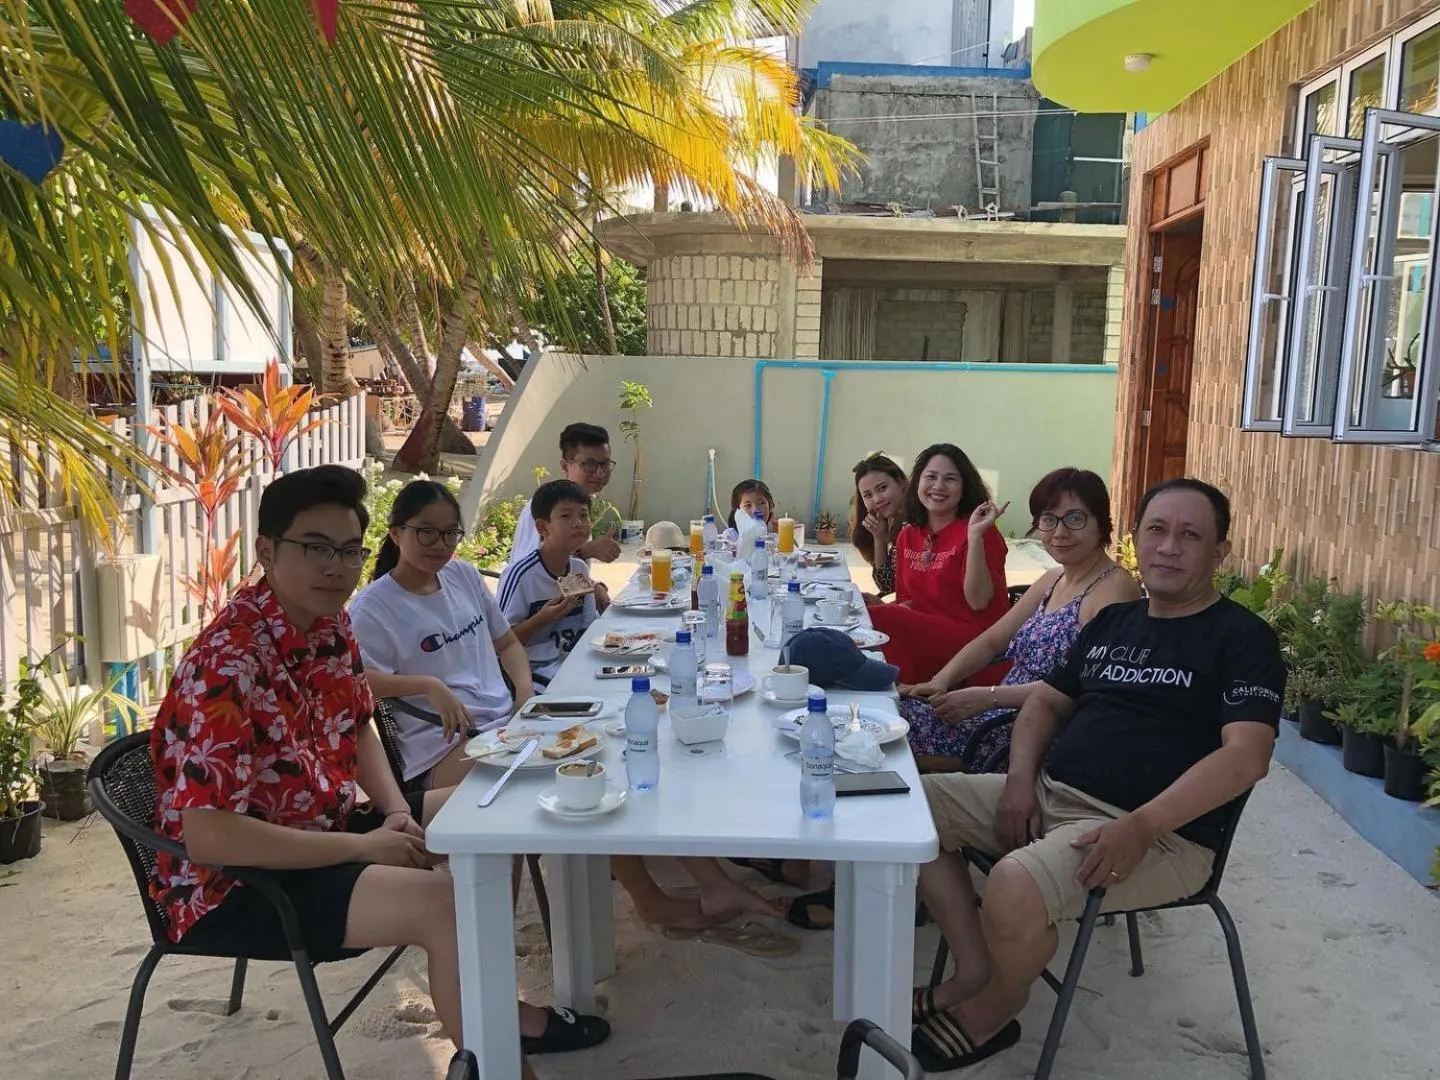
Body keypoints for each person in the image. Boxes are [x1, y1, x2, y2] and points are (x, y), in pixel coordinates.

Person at [148, 467, 607, 1078]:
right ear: (266, 550)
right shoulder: (225, 663)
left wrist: (393, 809)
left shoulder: (328, 624)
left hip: (326, 828)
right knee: (445, 904)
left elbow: (357, 720)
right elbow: (210, 837)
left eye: (347, 551)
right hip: (239, 883)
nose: (335, 567)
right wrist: (365, 845)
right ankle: (504, 1052)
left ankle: (495, 1010)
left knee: (499, 803)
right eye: (315, 548)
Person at [910, 478, 1284, 1072]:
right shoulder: (1116, 624)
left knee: (1012, 883)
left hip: (1160, 835)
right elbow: (1044, 702)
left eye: (1190, 535)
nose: (1169, 547)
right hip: (1053, 792)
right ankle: (975, 967)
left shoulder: (1242, 639)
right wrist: (1018, 782)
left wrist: (1143, 824)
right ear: (1137, 538)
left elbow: (1246, 757)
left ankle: (998, 1004)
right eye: (1157, 530)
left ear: (1219, 553)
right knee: (909, 807)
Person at [898, 468, 1140, 774]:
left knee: (892, 737)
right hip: (992, 715)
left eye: (1075, 518)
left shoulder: (1114, 589)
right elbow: (992, 641)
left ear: (1101, 522)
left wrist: (988, 697)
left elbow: (1085, 684)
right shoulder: (1054, 578)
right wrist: (940, 681)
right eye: (1048, 519)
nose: (1059, 532)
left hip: (1029, 736)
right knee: (888, 712)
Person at [350, 480, 535, 791]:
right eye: (427, 532)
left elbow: (507, 642)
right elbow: (357, 680)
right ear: (396, 534)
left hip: (507, 723)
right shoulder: (372, 607)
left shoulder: (463, 575)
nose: (440, 544)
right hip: (444, 746)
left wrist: (525, 694)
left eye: (450, 533)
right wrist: (427, 685)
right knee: (530, 783)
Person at [868, 444, 1011, 685]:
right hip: (927, 636)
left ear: (964, 486)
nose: (938, 486)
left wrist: (974, 538)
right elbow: (907, 600)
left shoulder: (981, 532)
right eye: (931, 477)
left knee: (877, 619)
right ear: (917, 483)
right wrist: (885, 607)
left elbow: (978, 602)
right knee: (860, 612)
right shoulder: (908, 535)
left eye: (950, 479)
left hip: (976, 642)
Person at [498, 479, 608, 687]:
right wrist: (542, 619)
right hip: (529, 675)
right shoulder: (522, 576)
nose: (578, 523)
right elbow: (500, 643)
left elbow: (587, 627)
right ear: (543, 527)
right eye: (566, 516)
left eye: (583, 515)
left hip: (571, 665)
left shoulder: (578, 569)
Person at [511, 423, 622, 584]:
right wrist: (587, 550)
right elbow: (534, 573)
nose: (600, 473)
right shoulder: (544, 505)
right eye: (590, 464)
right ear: (565, 466)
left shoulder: (580, 504)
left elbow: (568, 579)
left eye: (604, 464)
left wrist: (595, 587)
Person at [849, 453, 908, 601]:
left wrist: (886, 607)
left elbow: (921, 593)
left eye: (882, 488)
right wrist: (879, 538)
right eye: (868, 495)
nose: (877, 499)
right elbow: (886, 585)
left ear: (900, 482)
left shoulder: (916, 523)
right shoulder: (895, 522)